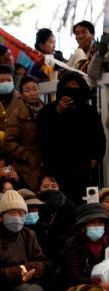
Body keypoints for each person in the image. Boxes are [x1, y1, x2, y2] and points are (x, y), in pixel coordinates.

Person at [37, 71, 105, 203]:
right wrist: (58, 111)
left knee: (84, 202)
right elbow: (43, 136)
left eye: (75, 87)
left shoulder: (89, 111)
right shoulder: (48, 110)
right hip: (57, 168)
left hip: (83, 168)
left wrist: (96, 158)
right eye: (68, 87)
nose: (72, 90)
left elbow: (99, 137)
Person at [4, 76, 43, 189]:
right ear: (21, 94)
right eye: (27, 90)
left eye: (34, 89)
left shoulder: (46, 110)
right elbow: (9, 141)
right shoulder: (17, 115)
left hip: (44, 163)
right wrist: (27, 155)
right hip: (25, 167)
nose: (32, 93)